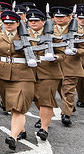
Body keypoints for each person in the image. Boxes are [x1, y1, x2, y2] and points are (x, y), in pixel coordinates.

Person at [0, 10, 35, 149]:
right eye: (6, 22)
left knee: (19, 107)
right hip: (4, 74)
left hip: (24, 74)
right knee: (10, 106)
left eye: (11, 22)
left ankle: (13, 137)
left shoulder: (29, 36)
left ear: (18, 23)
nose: (8, 25)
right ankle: (21, 130)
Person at [24, 8, 63, 140]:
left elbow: (62, 54)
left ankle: (44, 128)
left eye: (36, 20)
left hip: (49, 71)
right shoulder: (24, 34)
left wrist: (55, 57)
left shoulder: (53, 34)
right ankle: (41, 120)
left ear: (43, 21)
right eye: (31, 20)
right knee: (35, 98)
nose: (33, 23)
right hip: (29, 71)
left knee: (46, 99)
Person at [52, 6, 84, 127]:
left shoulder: (77, 31)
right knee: (56, 90)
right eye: (57, 16)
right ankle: (69, 106)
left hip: (71, 65)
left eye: (62, 17)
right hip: (55, 65)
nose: (59, 19)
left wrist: (75, 51)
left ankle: (66, 114)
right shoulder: (49, 30)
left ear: (69, 17)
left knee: (68, 90)